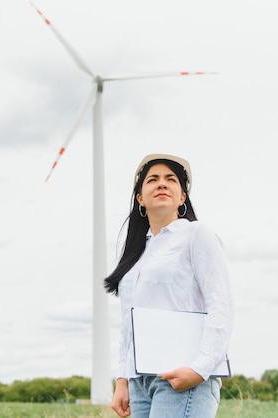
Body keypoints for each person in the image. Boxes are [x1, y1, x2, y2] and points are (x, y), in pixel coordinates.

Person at [104, 154, 233, 418]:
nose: (161, 184)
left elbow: (221, 304)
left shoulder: (197, 235)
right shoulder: (137, 254)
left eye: (170, 179)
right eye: (153, 179)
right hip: (140, 381)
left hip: (182, 375)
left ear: (182, 197)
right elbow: (128, 324)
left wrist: (200, 368)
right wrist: (122, 379)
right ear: (140, 198)